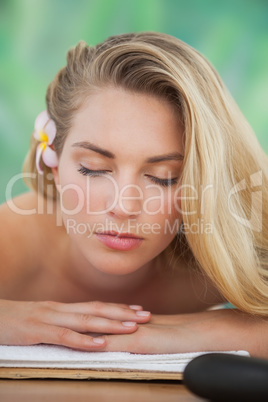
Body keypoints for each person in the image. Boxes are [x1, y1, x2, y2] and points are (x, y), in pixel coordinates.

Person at [1, 32, 268, 357]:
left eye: (163, 177)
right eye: (93, 168)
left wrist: (216, 330)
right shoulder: (11, 242)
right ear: (55, 166)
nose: (124, 206)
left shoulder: (227, 247)